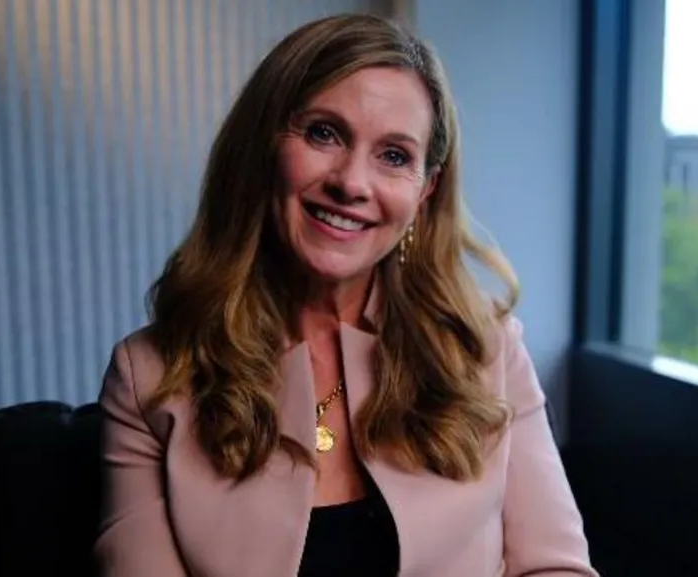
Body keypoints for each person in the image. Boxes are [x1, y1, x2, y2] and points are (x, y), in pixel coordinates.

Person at [93, 13, 597, 577]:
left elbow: (556, 567)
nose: (352, 183)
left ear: (425, 192)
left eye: (394, 156)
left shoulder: (487, 349)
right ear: (261, 147)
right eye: (323, 133)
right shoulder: (148, 376)